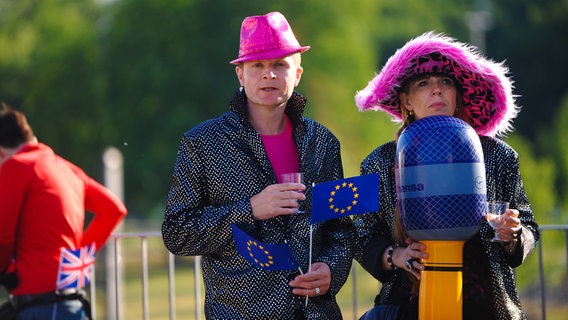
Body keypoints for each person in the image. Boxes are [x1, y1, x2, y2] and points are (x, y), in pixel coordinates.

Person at [161, 11, 355, 320]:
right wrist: (249, 209)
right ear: (240, 74)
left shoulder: (322, 142)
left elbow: (341, 229)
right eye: (257, 66)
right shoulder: (202, 143)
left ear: (298, 73)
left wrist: (333, 269)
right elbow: (177, 233)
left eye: (280, 64)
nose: (269, 74)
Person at [353, 32, 539, 320]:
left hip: (489, 307)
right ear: (407, 101)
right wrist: (394, 256)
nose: (436, 90)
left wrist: (512, 234)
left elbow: (528, 227)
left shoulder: (499, 156)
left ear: (457, 96)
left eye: (446, 82)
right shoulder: (379, 162)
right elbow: (361, 235)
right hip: (407, 308)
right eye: (423, 83)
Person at [0, 105, 127, 319]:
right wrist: (74, 259)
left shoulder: (16, 166)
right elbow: (114, 210)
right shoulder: (67, 168)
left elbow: (3, 232)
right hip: (72, 302)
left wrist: (4, 269)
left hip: (38, 305)